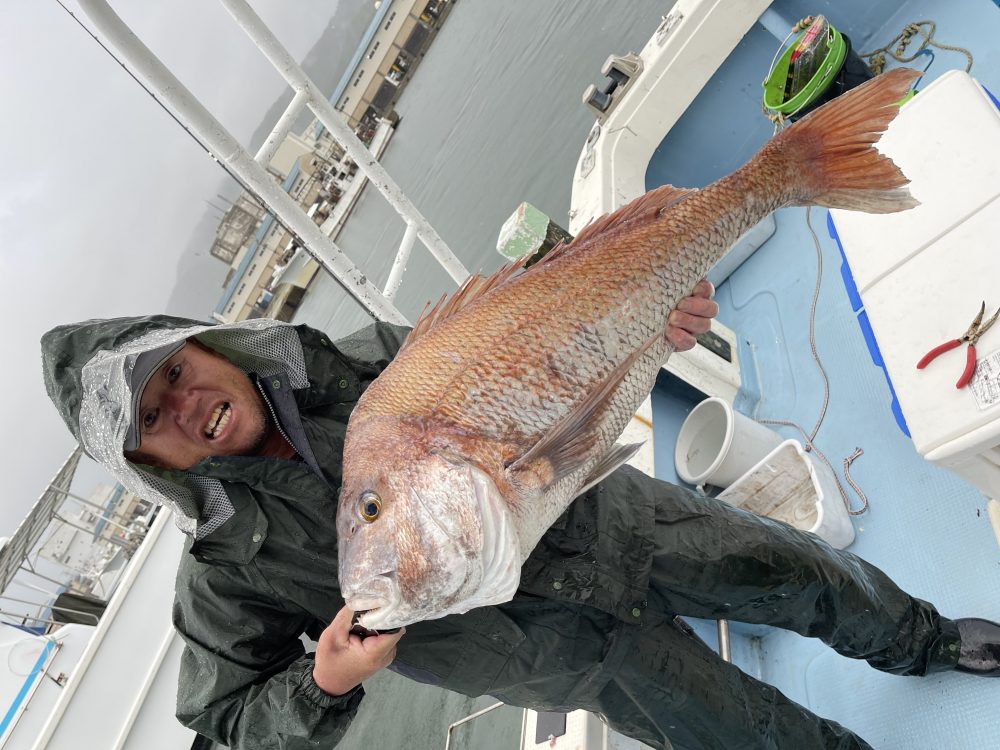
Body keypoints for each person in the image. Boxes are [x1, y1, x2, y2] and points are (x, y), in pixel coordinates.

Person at [40, 282, 999, 750]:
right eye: (152, 423)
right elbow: (226, 727)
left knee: (810, 577)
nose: (182, 404)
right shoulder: (224, 572)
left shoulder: (370, 359)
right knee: (754, 740)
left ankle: (926, 640)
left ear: (205, 345)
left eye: (172, 372)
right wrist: (322, 683)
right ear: (147, 465)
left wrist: (643, 320)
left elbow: (542, 362)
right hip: (574, 657)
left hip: (625, 521)